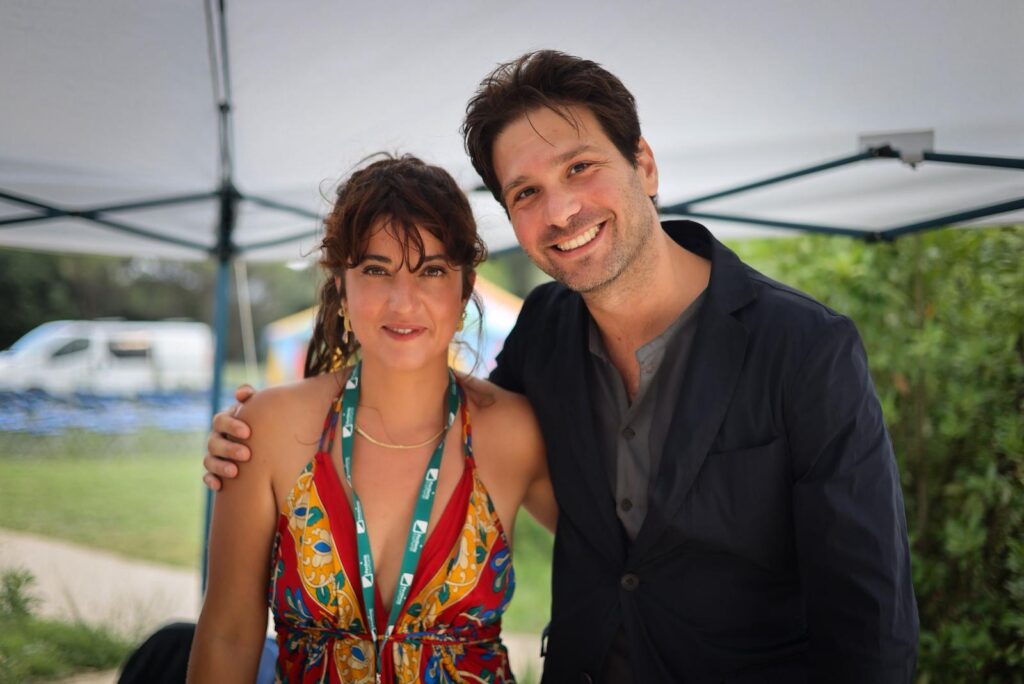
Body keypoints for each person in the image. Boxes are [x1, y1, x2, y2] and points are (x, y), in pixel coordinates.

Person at [204, 52, 919, 682]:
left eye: (580, 167)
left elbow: (869, 624)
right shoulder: (544, 334)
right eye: (526, 192)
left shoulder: (805, 348)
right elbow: (436, 420)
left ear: (643, 164)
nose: (562, 209)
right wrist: (243, 436)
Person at [188, 154, 555, 683]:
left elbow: (626, 560)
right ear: (341, 284)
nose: (403, 302)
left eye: (431, 271)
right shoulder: (266, 428)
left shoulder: (515, 432)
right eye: (377, 270)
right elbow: (227, 634)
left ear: (465, 288)